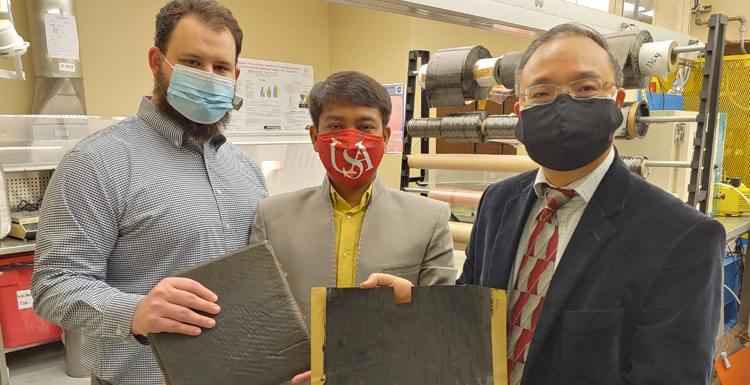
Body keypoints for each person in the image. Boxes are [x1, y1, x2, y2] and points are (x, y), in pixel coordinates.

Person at [372, 24, 725, 385]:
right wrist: (417, 305)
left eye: (585, 88)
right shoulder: (499, 203)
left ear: (617, 103)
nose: (562, 104)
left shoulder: (682, 238)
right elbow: (475, 308)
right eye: (540, 93)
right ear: (520, 110)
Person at [30, 1, 268, 384]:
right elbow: (53, 284)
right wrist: (135, 312)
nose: (209, 77)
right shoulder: (97, 162)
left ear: (235, 74)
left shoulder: (246, 169)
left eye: (220, 68)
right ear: (157, 61)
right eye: (192, 62)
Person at [248, 70, 457, 383]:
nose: (350, 138)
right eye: (335, 126)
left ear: (385, 137)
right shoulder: (272, 216)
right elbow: (257, 317)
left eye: (364, 126)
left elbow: (444, 324)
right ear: (315, 137)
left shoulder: (430, 219)